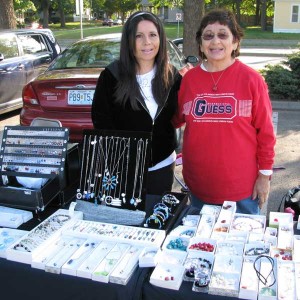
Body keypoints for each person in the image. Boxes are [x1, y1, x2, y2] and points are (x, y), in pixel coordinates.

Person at [172, 9, 276, 214]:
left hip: (242, 192)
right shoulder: (189, 81)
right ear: (201, 44)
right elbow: (175, 120)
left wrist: (264, 176)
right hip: (199, 188)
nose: (215, 41)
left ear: (235, 42)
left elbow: (266, 133)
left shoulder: (252, 80)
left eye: (222, 34)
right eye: (208, 36)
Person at [91, 11, 182, 198]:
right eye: (138, 36)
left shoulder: (172, 76)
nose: (146, 42)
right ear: (129, 41)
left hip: (162, 166)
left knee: (158, 220)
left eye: (152, 35)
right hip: (124, 169)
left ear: (161, 39)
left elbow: (179, 117)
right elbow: (102, 122)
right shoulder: (111, 76)